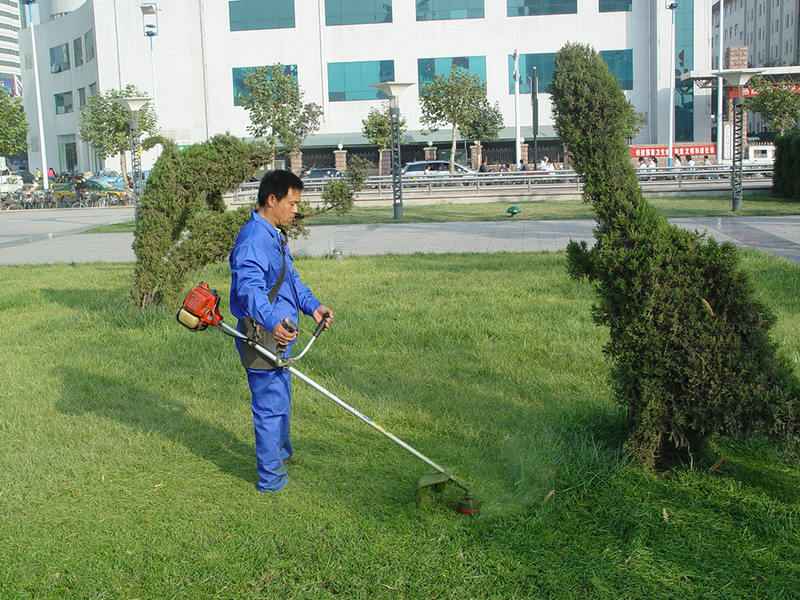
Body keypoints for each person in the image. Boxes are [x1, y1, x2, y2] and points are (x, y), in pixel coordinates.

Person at [229, 170, 334, 493]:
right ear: (272, 200)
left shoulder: (273, 234)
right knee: (270, 407)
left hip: (280, 333)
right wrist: (273, 321)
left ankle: (281, 454)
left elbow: (290, 279)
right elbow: (250, 291)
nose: (296, 210)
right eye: (292, 203)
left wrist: (313, 306)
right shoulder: (253, 240)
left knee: (281, 398)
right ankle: (270, 480)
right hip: (262, 335)